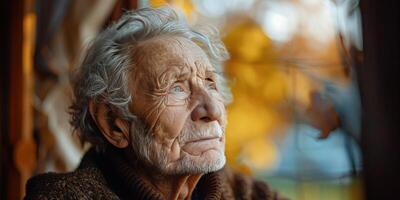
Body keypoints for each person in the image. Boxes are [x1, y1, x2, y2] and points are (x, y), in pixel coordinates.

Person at [25, 6, 284, 200]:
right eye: (176, 88)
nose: (214, 111)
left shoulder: (245, 192)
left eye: (210, 83)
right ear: (114, 123)